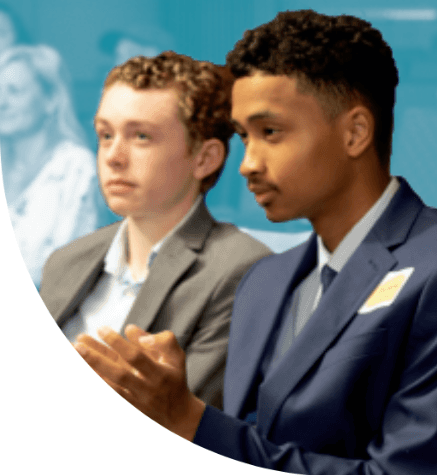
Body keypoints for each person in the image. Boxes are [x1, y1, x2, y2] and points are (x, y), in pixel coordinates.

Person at [73, 10, 437, 475]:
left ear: (355, 133)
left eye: (271, 133)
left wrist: (191, 422)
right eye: (244, 136)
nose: (247, 164)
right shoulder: (265, 280)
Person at [41, 51, 271, 408]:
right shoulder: (66, 261)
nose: (113, 156)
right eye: (105, 135)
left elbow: (180, 421)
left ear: (205, 158)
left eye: (142, 137)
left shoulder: (243, 270)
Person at [0, 45, 98, 288]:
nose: (2, 102)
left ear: (51, 100)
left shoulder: (75, 168)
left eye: (15, 91)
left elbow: (71, 272)